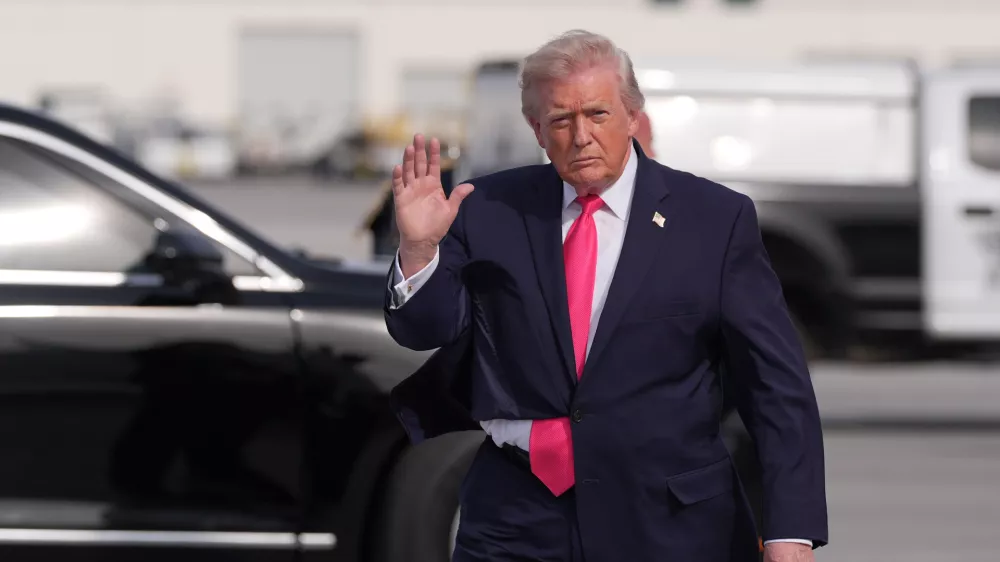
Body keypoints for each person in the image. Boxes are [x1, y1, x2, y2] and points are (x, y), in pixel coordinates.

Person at [383, 30, 827, 562]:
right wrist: (418, 249)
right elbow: (424, 330)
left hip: (668, 522)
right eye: (562, 120)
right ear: (537, 130)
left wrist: (789, 533)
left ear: (633, 116)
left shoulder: (713, 220)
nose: (581, 136)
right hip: (518, 517)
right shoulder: (487, 209)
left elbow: (775, 386)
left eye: (597, 114)